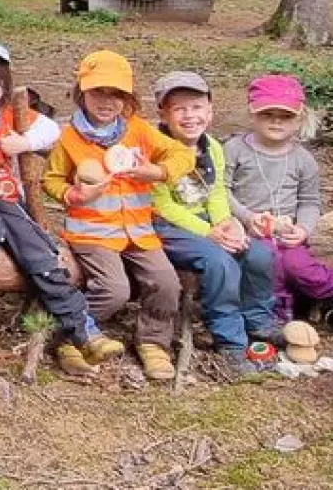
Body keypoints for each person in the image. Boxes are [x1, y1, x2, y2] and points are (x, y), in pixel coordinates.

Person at [0, 39, 117, 378]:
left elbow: (51, 130)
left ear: (5, 82)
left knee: (39, 251)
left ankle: (85, 328)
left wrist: (25, 143)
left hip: (5, 197)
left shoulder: (9, 116)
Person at [43, 50, 193, 382]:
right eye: (98, 92)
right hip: (92, 232)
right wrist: (74, 194)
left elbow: (182, 153)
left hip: (138, 230)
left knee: (167, 282)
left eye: (117, 94)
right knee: (114, 289)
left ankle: (153, 342)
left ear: (128, 98)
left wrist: (158, 171)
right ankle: (70, 336)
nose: (107, 101)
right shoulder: (68, 137)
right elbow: (51, 180)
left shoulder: (137, 129)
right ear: (81, 92)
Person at [148, 71, 280, 379]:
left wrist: (225, 224)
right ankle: (230, 341)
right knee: (219, 262)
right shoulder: (155, 150)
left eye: (196, 107)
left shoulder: (213, 148)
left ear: (210, 111)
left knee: (258, 254)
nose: (189, 116)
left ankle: (257, 320)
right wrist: (210, 233)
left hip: (207, 223)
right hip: (166, 226)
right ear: (164, 114)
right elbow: (162, 205)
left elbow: (216, 192)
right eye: (179, 109)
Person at [224, 74, 330, 321]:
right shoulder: (235, 150)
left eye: (285, 117)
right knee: (268, 266)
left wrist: (303, 229)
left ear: (298, 119)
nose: (276, 122)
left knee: (301, 268)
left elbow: (309, 201)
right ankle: (277, 317)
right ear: (253, 113)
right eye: (267, 114)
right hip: (249, 232)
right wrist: (247, 217)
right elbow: (222, 190)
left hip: (287, 233)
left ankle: (323, 297)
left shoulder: (303, 159)